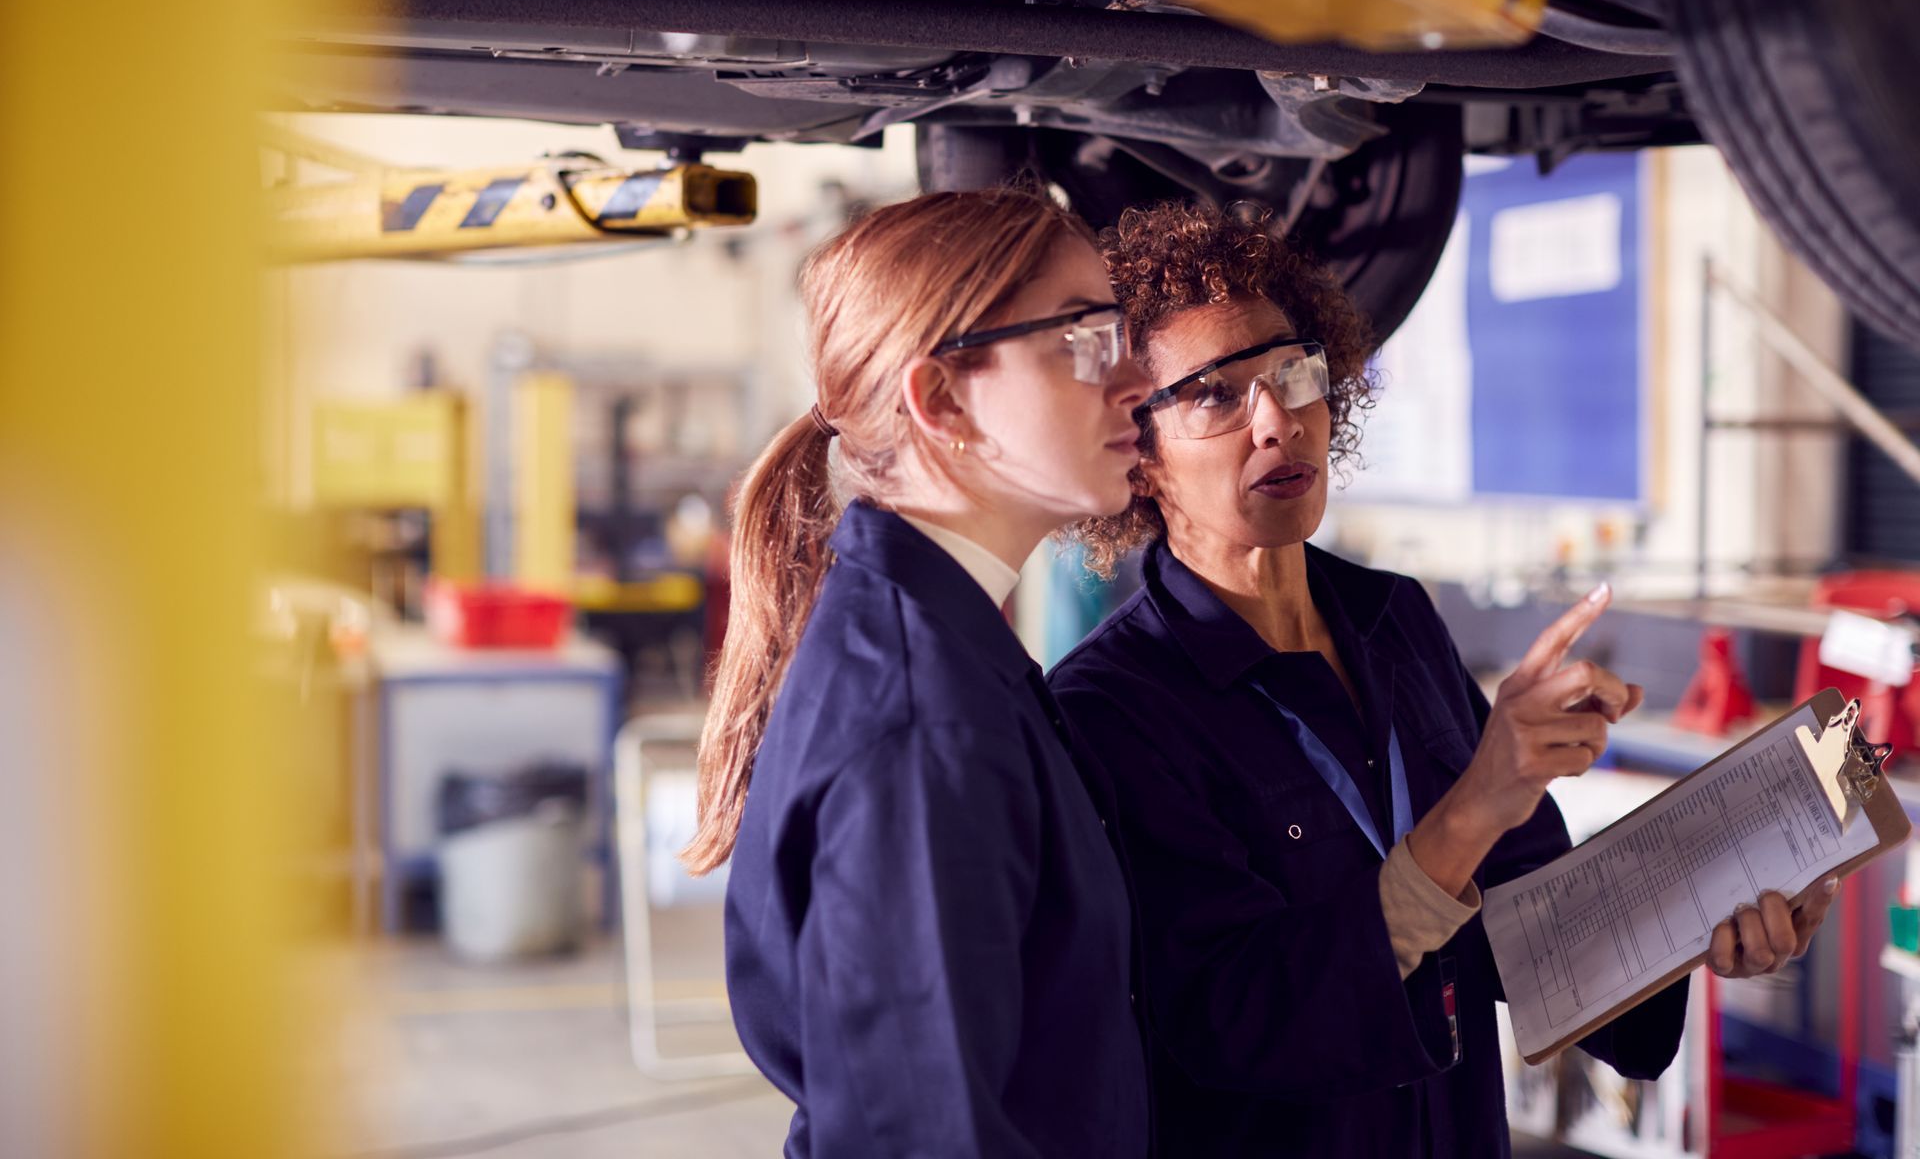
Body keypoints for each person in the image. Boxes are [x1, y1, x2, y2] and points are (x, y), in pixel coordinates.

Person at [1049, 200, 1838, 1157]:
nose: (1279, 421)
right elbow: (1237, 1013)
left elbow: (1535, 922)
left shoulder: (1396, 622)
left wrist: (1704, 915)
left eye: (1292, 372)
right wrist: (1476, 804)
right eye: (1216, 395)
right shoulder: (1114, 705)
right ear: (1141, 453)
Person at [684, 187, 1155, 1158]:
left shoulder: (946, 650)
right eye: (1084, 338)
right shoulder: (924, 720)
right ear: (940, 398)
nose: (1137, 378)